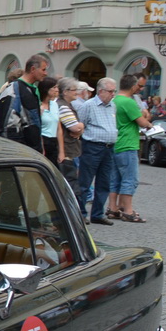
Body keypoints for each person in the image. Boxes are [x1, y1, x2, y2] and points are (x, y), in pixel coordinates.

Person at [74, 79, 120, 224]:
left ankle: (98, 214)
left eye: (114, 91)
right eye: (110, 91)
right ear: (101, 91)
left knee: (104, 182)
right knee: (85, 181)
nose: (113, 94)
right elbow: (81, 125)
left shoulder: (112, 106)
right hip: (92, 146)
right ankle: (81, 213)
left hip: (109, 147)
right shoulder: (88, 105)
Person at [108, 75, 151, 222]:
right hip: (128, 143)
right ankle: (128, 210)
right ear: (133, 86)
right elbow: (142, 123)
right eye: (138, 86)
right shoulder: (128, 102)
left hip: (115, 143)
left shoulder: (114, 100)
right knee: (130, 178)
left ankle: (112, 208)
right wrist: (149, 123)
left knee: (115, 179)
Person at [39, 79, 63, 162]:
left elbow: (58, 128)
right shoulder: (38, 105)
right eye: (54, 87)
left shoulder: (54, 104)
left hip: (53, 142)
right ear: (46, 89)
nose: (57, 90)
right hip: (43, 140)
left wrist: (61, 152)